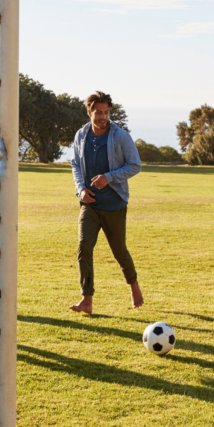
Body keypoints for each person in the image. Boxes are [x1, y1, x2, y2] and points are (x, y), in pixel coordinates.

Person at [68, 91, 143, 314]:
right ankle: (87, 300)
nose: (103, 117)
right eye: (98, 112)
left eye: (106, 112)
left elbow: (135, 165)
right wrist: (81, 189)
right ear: (89, 111)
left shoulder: (121, 136)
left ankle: (134, 287)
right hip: (89, 205)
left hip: (114, 205)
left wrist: (108, 177)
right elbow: (75, 164)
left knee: (119, 252)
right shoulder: (81, 135)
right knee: (84, 248)